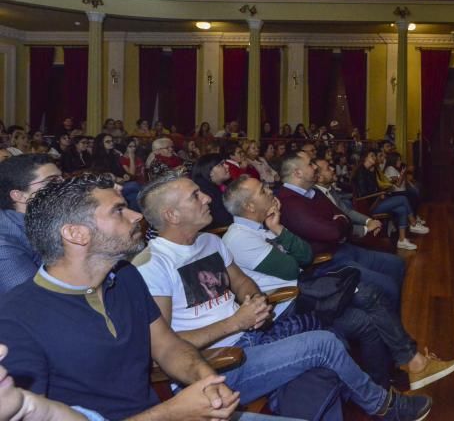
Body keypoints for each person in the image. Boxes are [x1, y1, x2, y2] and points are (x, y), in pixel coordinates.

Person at [135, 172, 433, 420]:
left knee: (327, 354)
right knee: (325, 344)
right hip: (218, 364)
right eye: (195, 196)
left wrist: (255, 301)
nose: (208, 197)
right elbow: (164, 348)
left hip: (253, 339)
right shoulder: (153, 265)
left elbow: (241, 282)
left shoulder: (210, 242)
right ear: (171, 215)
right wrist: (235, 323)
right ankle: (386, 407)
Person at [0, 174, 293, 421]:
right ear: (76, 233)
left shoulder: (124, 276)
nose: (137, 216)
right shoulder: (17, 319)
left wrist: (206, 380)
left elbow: (167, 346)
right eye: (118, 210)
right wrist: (173, 412)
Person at [223, 175, 454, 391]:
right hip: (286, 305)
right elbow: (290, 269)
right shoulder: (240, 237)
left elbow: (305, 256)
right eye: (263, 191)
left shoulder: (264, 227)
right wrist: (281, 234)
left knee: (368, 315)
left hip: (303, 291)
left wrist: (277, 227)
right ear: (250, 206)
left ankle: (386, 383)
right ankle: (412, 363)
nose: (270, 191)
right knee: (368, 294)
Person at [276, 151, 410, 306]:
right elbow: (333, 231)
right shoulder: (289, 202)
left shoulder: (314, 192)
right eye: (310, 164)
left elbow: (342, 216)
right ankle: (386, 324)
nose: (314, 167)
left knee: (396, 264)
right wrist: (338, 222)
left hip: (343, 248)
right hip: (326, 262)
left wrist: (338, 221)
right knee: (389, 287)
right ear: (298, 173)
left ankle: (390, 315)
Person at [0, 154, 61, 295]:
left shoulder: (47, 219)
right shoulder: (4, 245)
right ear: (19, 196)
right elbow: (34, 301)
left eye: (61, 179)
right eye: (52, 182)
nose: (63, 186)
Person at [352, 151, 429, 251]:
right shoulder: (361, 172)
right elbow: (364, 194)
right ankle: (413, 223)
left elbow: (377, 187)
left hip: (377, 200)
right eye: (372, 155)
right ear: (365, 158)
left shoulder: (372, 170)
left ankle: (402, 240)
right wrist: (379, 193)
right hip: (369, 206)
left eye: (374, 155)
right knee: (403, 198)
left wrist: (381, 192)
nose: (375, 157)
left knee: (402, 209)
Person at [191, 153, 234, 231]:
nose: (227, 166)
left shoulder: (222, 185)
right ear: (209, 172)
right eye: (221, 164)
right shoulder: (204, 190)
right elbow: (224, 219)